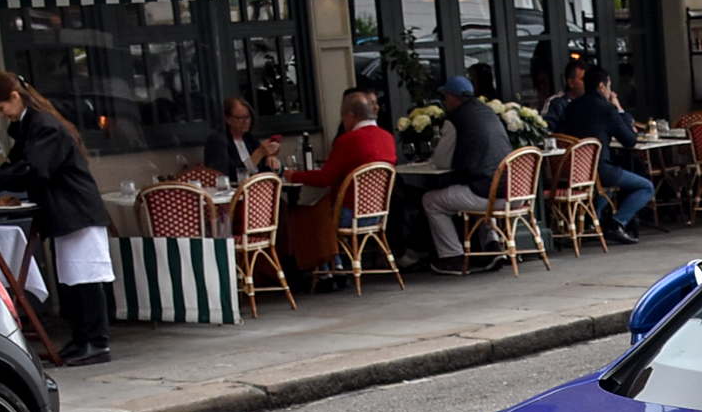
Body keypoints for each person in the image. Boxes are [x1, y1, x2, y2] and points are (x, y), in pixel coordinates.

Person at [0, 70, 113, 365]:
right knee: (72, 280)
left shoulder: (44, 125)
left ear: (14, 97)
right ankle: (82, 338)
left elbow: (35, 168)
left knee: (87, 278)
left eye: (1, 109)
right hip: (65, 210)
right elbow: (22, 163)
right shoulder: (31, 125)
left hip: (76, 209)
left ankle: (96, 341)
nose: (1, 115)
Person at [283, 90, 398, 274]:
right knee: (321, 210)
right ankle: (334, 263)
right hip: (377, 214)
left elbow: (324, 178)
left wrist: (292, 176)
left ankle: (325, 269)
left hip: (348, 214)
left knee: (303, 215)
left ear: (351, 116)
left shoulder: (348, 140)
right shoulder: (387, 137)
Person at [420, 76, 511, 276]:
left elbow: (442, 162)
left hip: (485, 194)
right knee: (483, 186)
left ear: (451, 97)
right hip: (512, 193)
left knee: (431, 200)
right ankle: (492, 245)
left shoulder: (456, 119)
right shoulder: (489, 113)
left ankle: (452, 257)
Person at [558, 64, 654, 244]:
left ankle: (591, 221)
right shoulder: (606, 109)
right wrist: (618, 106)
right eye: (609, 86)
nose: (610, 90)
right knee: (646, 187)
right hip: (600, 170)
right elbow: (630, 140)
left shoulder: (572, 107)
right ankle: (617, 222)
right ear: (602, 86)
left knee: (606, 190)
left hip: (574, 171)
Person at [204, 96, 282, 184]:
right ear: (228, 120)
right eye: (241, 118)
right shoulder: (217, 141)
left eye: (248, 117)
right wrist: (258, 154)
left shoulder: (250, 138)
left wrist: (275, 164)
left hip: (258, 191)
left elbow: (265, 171)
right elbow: (226, 176)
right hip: (234, 194)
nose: (246, 122)